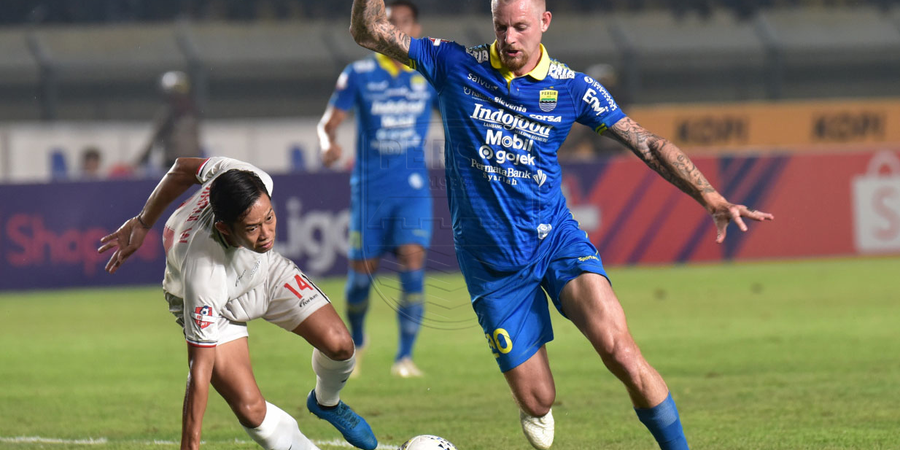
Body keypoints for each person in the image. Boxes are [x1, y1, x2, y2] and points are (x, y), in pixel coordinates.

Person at [349, 1, 774, 449]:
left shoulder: (572, 87)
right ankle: (532, 396)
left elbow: (645, 142)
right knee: (538, 400)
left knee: (621, 352)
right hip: (492, 265)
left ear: (544, 23)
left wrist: (707, 193)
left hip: (556, 241)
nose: (509, 37)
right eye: (500, 27)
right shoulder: (453, 62)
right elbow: (368, 31)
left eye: (520, 27)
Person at [97, 157, 378, 450]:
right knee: (251, 410)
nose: (267, 233)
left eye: (269, 217)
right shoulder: (203, 274)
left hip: (263, 272)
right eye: (253, 227)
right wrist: (190, 444)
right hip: (214, 306)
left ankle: (327, 403)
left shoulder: (247, 176)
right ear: (225, 228)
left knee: (341, 345)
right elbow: (199, 369)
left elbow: (181, 168)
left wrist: (143, 222)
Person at [318, 0, 438, 378]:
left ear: (416, 29)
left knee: (413, 261)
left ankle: (405, 357)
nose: (397, 30)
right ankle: (357, 340)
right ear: (379, 29)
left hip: (413, 189)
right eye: (391, 23)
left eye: (405, 23)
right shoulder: (358, 73)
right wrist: (326, 144)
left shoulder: (430, 73)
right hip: (370, 191)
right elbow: (329, 122)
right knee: (359, 280)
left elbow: (460, 113)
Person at [135, 71, 203, 175]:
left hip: (191, 163)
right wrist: (139, 161)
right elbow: (155, 138)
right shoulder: (169, 114)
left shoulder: (191, 113)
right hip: (174, 163)